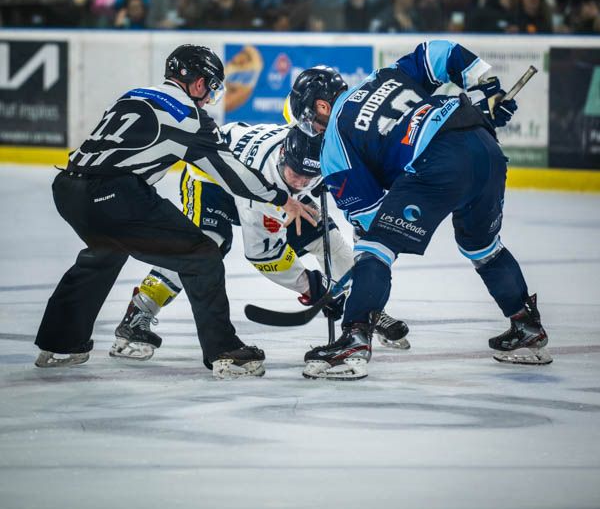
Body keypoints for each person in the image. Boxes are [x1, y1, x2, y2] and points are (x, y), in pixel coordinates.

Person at [34, 45, 317, 378]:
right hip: (114, 193)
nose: (210, 96)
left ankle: (60, 344)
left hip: (68, 188)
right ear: (198, 84)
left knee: (104, 252)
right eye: (211, 87)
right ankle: (224, 351)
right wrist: (282, 198)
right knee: (202, 255)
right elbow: (231, 174)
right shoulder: (188, 117)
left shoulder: (136, 94)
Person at [289, 44, 551, 380]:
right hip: (483, 144)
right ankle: (526, 326)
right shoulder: (384, 77)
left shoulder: (334, 139)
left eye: (312, 121)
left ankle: (354, 339)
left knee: (375, 249)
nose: (316, 130)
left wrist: (363, 272)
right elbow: (440, 53)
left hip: (437, 160)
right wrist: (486, 88)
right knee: (481, 246)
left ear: (322, 106)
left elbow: (371, 219)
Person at [110, 123, 410, 359]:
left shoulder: (311, 162)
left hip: (262, 181)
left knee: (324, 235)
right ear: (283, 157)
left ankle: (367, 309)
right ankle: (138, 313)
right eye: (296, 174)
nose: (302, 183)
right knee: (204, 246)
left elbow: (324, 184)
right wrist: (312, 287)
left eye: (310, 176)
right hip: (213, 180)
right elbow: (263, 255)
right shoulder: (264, 181)